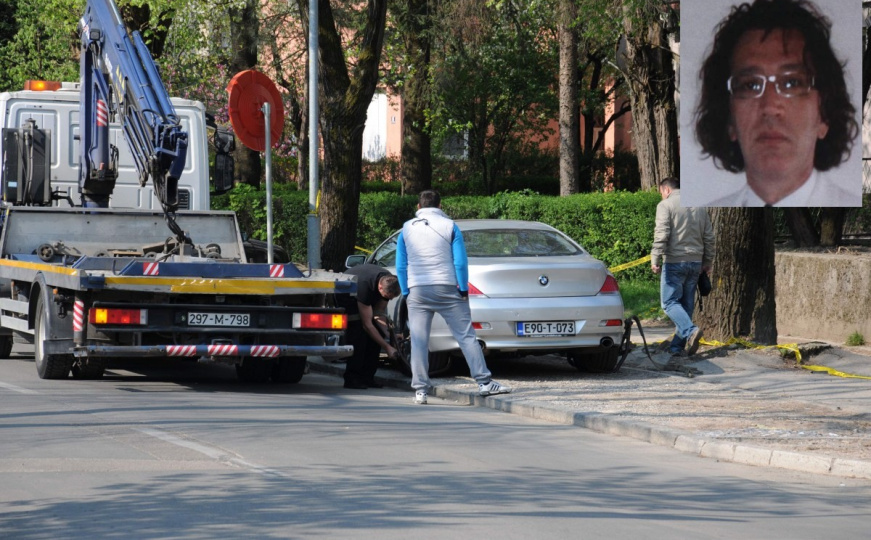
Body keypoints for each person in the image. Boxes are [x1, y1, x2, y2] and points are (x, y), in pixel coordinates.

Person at [692, 0, 860, 207]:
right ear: (729, 119)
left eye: (792, 83)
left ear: (824, 115)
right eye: (750, 85)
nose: (770, 107)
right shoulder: (705, 214)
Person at [395, 190, 511, 405]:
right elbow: (460, 261)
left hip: (417, 289)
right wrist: (463, 289)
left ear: (418, 207)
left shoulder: (406, 228)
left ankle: (420, 390)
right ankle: (484, 382)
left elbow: (401, 265)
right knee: (466, 336)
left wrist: (406, 290)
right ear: (440, 205)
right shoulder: (450, 226)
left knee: (419, 340)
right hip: (447, 287)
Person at [651, 177, 715, 357]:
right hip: (695, 263)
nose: (662, 196)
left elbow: (662, 233)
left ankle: (691, 331)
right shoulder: (700, 207)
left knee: (669, 303)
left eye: (661, 193)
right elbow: (709, 237)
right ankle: (676, 348)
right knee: (686, 305)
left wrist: (655, 257)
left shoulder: (665, 205)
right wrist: (707, 262)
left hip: (674, 261)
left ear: (666, 190)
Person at [338, 263, 401, 389]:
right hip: (346, 295)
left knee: (377, 335)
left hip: (366, 294)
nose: (389, 299)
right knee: (359, 335)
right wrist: (387, 347)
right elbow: (367, 325)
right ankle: (352, 379)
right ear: (380, 287)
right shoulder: (365, 287)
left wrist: (389, 335)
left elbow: (379, 313)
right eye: (387, 297)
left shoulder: (390, 282)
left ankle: (368, 378)